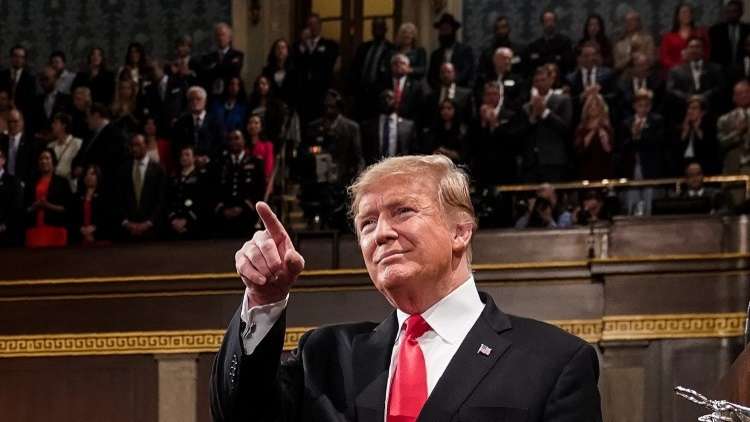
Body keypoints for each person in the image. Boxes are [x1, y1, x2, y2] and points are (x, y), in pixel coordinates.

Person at [210, 154, 602, 421]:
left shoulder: (554, 361)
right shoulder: (325, 357)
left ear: (460, 231)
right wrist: (263, 300)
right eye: (367, 223)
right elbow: (240, 414)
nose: (381, 233)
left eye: (403, 211)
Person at [299, 90, 363, 230]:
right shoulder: (313, 127)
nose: (329, 109)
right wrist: (315, 152)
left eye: (332, 106)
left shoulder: (351, 127)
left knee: (342, 222)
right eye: (326, 106)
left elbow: (358, 157)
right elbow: (304, 152)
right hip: (319, 181)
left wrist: (357, 181)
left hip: (342, 181)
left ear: (339, 107)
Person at [618, 90, 666, 216]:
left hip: (650, 166)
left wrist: (640, 135)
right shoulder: (626, 123)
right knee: (632, 199)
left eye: (646, 105)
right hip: (631, 166)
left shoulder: (657, 121)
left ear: (650, 106)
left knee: (649, 198)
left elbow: (659, 142)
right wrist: (633, 136)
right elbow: (622, 146)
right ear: (634, 106)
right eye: (640, 105)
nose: (643, 109)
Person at [522, 66, 573, 182]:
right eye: (537, 81)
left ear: (551, 80)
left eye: (543, 80)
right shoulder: (527, 106)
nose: (540, 84)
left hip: (553, 161)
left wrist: (545, 112)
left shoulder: (563, 100)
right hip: (531, 162)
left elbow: (565, 128)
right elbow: (523, 133)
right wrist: (533, 117)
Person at [115, 133, 167, 240]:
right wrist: (127, 222)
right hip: (128, 230)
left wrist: (148, 223)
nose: (134, 149)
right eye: (132, 145)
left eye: (138, 145)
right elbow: (119, 198)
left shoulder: (158, 170)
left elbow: (161, 200)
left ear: (146, 146)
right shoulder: (124, 169)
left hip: (152, 230)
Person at [214, 130, 265, 237]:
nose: (233, 142)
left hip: (247, 212)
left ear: (244, 141)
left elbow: (260, 189)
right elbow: (215, 188)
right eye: (230, 139)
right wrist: (223, 209)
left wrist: (243, 207)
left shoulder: (255, 162)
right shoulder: (220, 163)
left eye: (237, 138)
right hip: (224, 213)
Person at [293, 14, 340, 122]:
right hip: (303, 93)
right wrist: (304, 44)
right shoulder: (298, 46)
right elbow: (296, 63)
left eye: (315, 24)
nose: (312, 27)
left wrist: (311, 50)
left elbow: (327, 64)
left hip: (321, 91)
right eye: (310, 24)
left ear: (320, 26)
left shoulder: (329, 45)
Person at [24, 148, 71, 247]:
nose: (44, 161)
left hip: (56, 229)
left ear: (53, 161)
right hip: (34, 229)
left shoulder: (62, 182)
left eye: (47, 158)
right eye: (41, 158)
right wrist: (34, 206)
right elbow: (24, 208)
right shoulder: (31, 182)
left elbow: (67, 208)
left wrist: (47, 205)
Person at [351, 17, 395, 120]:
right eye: (375, 27)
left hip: (380, 95)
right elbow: (354, 70)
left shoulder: (391, 49)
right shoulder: (363, 47)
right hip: (361, 94)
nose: (377, 30)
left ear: (385, 29)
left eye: (380, 27)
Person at [666, 36, 723, 113]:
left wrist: (703, 96)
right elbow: (671, 90)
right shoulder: (676, 71)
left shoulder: (715, 69)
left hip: (710, 110)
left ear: (703, 50)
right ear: (686, 50)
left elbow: (720, 87)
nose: (694, 50)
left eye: (697, 47)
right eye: (691, 47)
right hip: (683, 110)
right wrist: (689, 97)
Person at [172, 86, 225, 168]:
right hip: (187, 165)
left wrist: (208, 158)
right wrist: (191, 158)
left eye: (198, 99)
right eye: (191, 100)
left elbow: (220, 144)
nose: (195, 102)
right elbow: (177, 145)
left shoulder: (216, 121)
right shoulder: (181, 122)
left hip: (211, 165)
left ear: (205, 101)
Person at [361, 89, 417, 165]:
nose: (386, 101)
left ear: (396, 101)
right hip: (375, 167)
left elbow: (413, 152)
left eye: (390, 98)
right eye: (383, 98)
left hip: (400, 167)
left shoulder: (408, 126)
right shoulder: (368, 126)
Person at [166, 145, 208, 239]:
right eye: (182, 155)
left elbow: (203, 202)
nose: (184, 157)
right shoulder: (173, 177)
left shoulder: (201, 177)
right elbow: (168, 200)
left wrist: (186, 220)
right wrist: (173, 219)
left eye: (187, 155)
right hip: (173, 224)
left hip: (194, 224)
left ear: (194, 158)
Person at [670, 96, 719, 176]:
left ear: (703, 112)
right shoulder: (680, 128)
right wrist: (684, 132)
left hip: (704, 169)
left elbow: (709, 149)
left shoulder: (709, 127)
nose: (690, 111)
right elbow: (675, 152)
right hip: (683, 169)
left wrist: (697, 129)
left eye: (694, 108)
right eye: (689, 108)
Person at [427, 13, 475, 89]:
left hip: (460, 90)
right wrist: (441, 87)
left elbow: (466, 71)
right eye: (442, 30)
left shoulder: (465, 50)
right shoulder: (435, 54)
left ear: (453, 31)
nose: (444, 33)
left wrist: (452, 83)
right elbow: (431, 77)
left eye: (447, 29)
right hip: (439, 91)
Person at [659, 4, 711, 72]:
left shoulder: (700, 33)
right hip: (675, 73)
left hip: (698, 71)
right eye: (684, 12)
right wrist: (677, 69)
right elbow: (664, 58)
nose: (687, 14)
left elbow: (707, 53)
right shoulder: (668, 37)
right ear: (677, 16)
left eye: (689, 12)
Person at [574, 94, 614, 180]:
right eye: (590, 105)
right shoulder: (581, 128)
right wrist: (592, 132)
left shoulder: (607, 127)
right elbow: (579, 149)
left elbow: (609, 150)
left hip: (603, 168)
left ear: (601, 108)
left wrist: (603, 136)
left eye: (596, 105)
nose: (593, 107)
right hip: (585, 168)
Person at [474, 47, 526, 111]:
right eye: (504, 58)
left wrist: (503, 108)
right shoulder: (483, 78)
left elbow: (521, 98)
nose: (507, 62)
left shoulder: (518, 80)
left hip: (509, 111)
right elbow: (477, 96)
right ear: (495, 59)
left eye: (509, 59)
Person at [525, 10, 575, 76]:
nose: (549, 24)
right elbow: (533, 64)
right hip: (540, 76)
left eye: (552, 21)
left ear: (555, 23)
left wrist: (542, 58)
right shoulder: (535, 45)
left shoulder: (565, 42)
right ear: (542, 24)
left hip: (560, 76)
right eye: (547, 21)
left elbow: (568, 62)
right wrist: (555, 57)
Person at [201, 22, 245, 97]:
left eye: (223, 35)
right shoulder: (208, 57)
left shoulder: (238, 55)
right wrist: (227, 65)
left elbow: (234, 71)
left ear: (229, 38)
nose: (220, 38)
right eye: (218, 35)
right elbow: (207, 74)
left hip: (232, 94)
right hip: (213, 95)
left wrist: (215, 67)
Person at [424, 62, 473, 128]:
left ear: (454, 74)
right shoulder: (431, 96)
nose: (446, 75)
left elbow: (469, 117)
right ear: (439, 75)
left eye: (449, 72)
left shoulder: (465, 95)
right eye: (443, 72)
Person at [71, 164, 111, 244]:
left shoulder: (105, 196)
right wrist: (81, 229)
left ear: (98, 177)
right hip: (80, 240)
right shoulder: (76, 197)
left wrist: (94, 228)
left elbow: (109, 218)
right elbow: (71, 218)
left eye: (92, 174)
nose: (89, 176)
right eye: (87, 174)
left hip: (101, 239)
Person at [31, 65, 73, 139]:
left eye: (47, 79)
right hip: (39, 141)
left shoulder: (67, 100)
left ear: (56, 79)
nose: (43, 83)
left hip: (60, 141)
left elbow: (70, 123)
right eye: (41, 80)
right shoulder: (36, 100)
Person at [378, 53, 423, 122]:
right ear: (391, 67)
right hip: (385, 120)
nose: (398, 65)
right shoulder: (381, 83)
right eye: (395, 63)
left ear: (408, 67)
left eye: (402, 63)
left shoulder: (416, 86)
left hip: (407, 122)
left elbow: (419, 108)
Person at [421, 99, 468, 163]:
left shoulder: (461, 130)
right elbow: (428, 149)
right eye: (443, 108)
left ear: (455, 110)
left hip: (454, 163)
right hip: (435, 162)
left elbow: (462, 154)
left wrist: (447, 152)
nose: (445, 111)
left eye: (449, 108)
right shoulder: (435, 127)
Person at [0, 109, 36, 187]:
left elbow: (33, 167)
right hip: (4, 184)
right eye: (9, 122)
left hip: (23, 184)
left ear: (22, 122)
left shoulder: (30, 143)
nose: (12, 125)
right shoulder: (2, 141)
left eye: (15, 121)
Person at [709, 0, 750, 69]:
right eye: (728, 11)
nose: (731, 14)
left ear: (741, 12)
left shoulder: (747, 29)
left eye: (734, 11)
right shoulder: (716, 30)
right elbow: (713, 52)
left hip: (743, 67)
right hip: (721, 68)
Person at [261, 38, 300, 110]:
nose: (280, 51)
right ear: (274, 51)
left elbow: (297, 91)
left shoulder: (295, 70)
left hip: (290, 107)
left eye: (283, 48)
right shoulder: (267, 70)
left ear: (287, 51)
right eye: (278, 48)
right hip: (272, 107)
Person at [48, 112, 82, 191]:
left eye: (55, 123)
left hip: (70, 187)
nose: (52, 125)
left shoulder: (77, 143)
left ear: (64, 125)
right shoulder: (50, 146)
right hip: (53, 187)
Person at [0, 45, 36, 115]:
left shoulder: (30, 79)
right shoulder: (1, 75)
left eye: (21, 57)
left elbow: (31, 101)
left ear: (24, 60)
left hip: (21, 115)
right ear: (11, 57)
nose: (18, 59)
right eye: (15, 56)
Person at [0, 148, 24, 246]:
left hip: (7, 232)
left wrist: (5, 224)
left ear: (3, 160)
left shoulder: (13, 181)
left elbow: (17, 205)